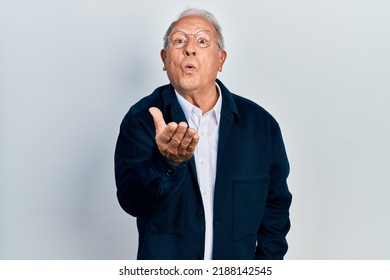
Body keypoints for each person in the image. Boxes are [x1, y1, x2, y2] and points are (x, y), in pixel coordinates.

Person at [114, 8, 292, 260]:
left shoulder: (261, 126)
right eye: (179, 41)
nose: (189, 48)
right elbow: (132, 202)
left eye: (202, 41)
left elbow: (275, 208)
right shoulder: (142, 119)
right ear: (165, 60)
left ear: (221, 59)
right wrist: (166, 163)